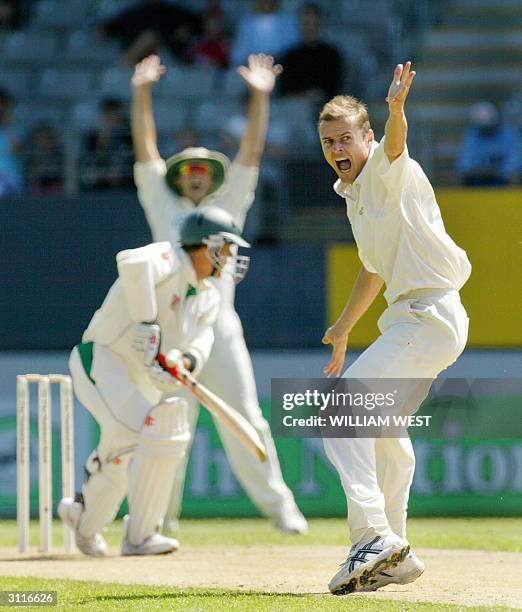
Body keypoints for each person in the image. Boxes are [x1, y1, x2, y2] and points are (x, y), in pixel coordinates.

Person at [131, 54, 307, 533]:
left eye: (204, 170)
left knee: (246, 419)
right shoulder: (164, 205)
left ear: (212, 179)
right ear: (178, 177)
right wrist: (141, 91)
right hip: (170, 329)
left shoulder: (228, 205)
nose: (195, 175)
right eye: (187, 168)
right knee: (170, 426)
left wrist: (261, 96)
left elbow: (250, 155)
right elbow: (146, 153)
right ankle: (160, 522)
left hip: (219, 328)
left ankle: (281, 509)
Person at [318, 62, 471, 594]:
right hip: (420, 317)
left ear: (368, 139)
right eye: (328, 141)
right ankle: (394, 555)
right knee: (385, 432)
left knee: (340, 410)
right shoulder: (356, 197)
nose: (337, 148)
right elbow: (373, 269)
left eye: (346, 138)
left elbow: (396, 148)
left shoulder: (387, 168)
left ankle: (371, 536)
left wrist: (396, 111)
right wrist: (342, 328)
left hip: (428, 314)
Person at [59, 206, 250, 556]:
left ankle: (128, 529)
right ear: (204, 245)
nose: (229, 257)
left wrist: (183, 361)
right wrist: (147, 322)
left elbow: (201, 340)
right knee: (134, 433)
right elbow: (132, 263)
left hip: (141, 379)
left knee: (166, 427)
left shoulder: (208, 296)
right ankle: (100, 523)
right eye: (225, 248)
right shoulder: (171, 258)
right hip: (102, 359)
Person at [279, 2, 342, 104]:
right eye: (307, 24)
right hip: (294, 107)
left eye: (314, 24)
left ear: (320, 24)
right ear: (300, 25)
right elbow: (283, 92)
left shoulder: (332, 55)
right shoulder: (289, 56)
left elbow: (334, 89)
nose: (310, 28)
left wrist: (316, 96)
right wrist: (303, 97)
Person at [456, 100, 520, 186]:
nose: (486, 131)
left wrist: (499, 171)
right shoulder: (472, 135)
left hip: (502, 181)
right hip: (477, 181)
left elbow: (514, 164)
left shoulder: (509, 134)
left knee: (514, 177)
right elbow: (464, 165)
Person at [82, 98, 134, 190]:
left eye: (115, 114)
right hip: (96, 187)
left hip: (125, 187)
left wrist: (118, 173)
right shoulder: (92, 139)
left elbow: (130, 163)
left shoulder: (129, 137)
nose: (112, 118)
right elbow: (88, 167)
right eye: (108, 114)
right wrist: (103, 140)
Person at [230, 0, 299, 67]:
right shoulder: (246, 22)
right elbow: (238, 55)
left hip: (282, 67)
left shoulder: (288, 20)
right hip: (253, 69)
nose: (266, 2)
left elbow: (293, 49)